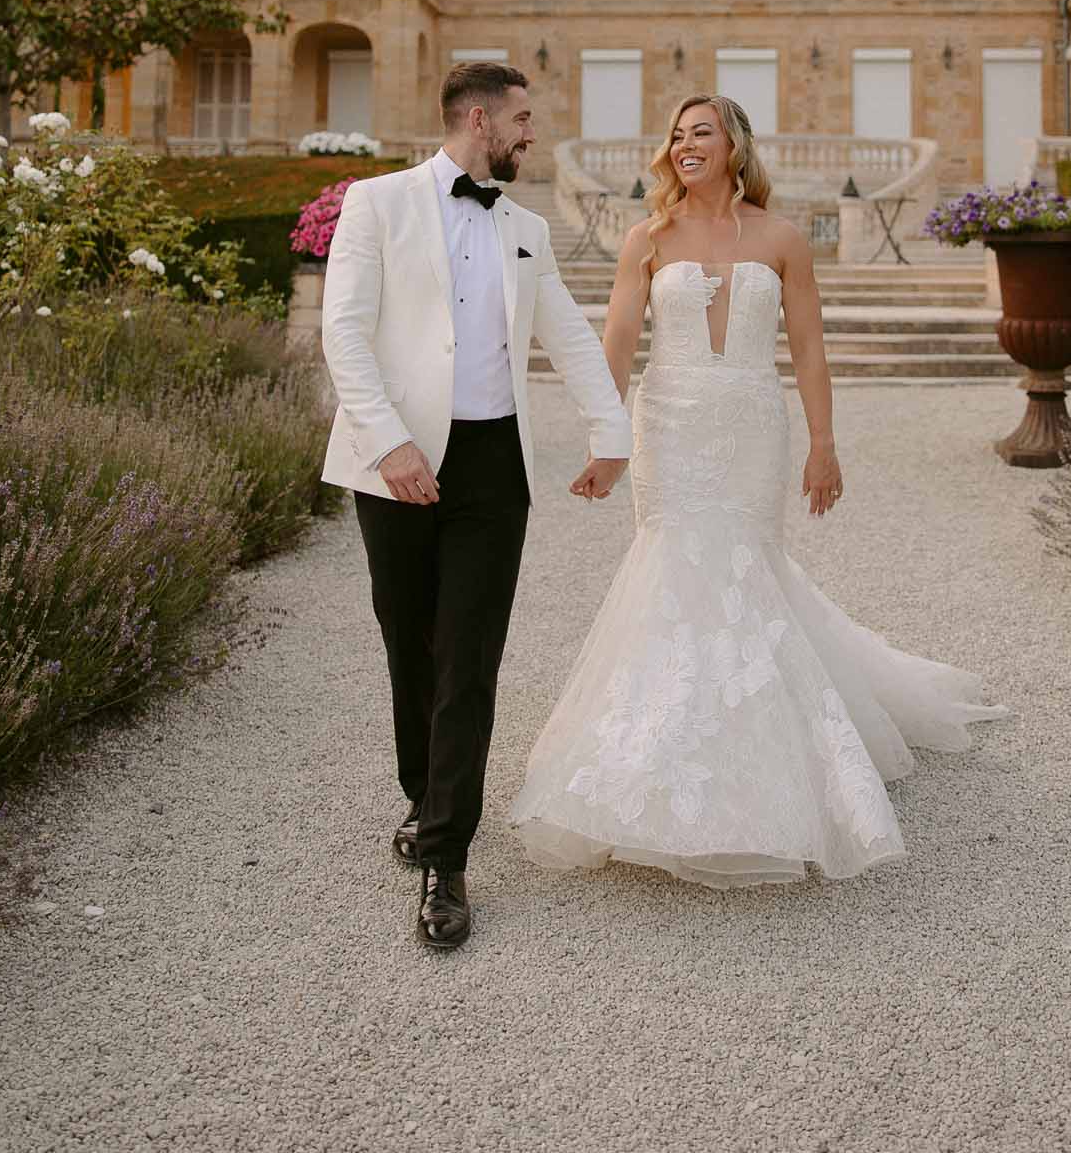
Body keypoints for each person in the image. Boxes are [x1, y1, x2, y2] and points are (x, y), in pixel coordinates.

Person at [510, 93, 1004, 887]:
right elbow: (617, 345)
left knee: (744, 567)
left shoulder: (780, 238)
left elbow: (807, 348)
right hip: (668, 425)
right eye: (675, 136)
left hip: (748, 425)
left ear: (735, 144)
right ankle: (657, 761)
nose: (683, 146)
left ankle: (770, 750)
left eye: (699, 133)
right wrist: (605, 443)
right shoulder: (647, 236)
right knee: (670, 566)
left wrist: (823, 444)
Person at [320, 62, 632, 949]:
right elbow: (343, 329)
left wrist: (612, 436)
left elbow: (568, 333)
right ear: (478, 117)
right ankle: (424, 795)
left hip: (494, 466)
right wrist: (388, 440)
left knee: (469, 655)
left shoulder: (525, 225)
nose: (533, 133)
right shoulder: (376, 203)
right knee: (408, 641)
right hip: (396, 459)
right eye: (524, 119)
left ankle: (445, 858)